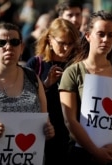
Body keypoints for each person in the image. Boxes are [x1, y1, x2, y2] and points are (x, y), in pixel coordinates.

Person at [59, 10, 112, 165]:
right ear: (88, 36)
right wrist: (95, 151)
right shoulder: (73, 72)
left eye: (111, 35)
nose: (106, 39)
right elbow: (70, 120)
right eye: (100, 34)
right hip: (82, 155)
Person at [0, 22, 55, 165]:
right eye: (1, 42)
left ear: (21, 47)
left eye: (14, 42)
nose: (8, 47)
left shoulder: (33, 78)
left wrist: (48, 130)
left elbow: (44, 121)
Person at [26, 18, 81, 165]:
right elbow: (25, 98)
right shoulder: (36, 63)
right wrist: (46, 84)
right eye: (62, 43)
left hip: (71, 134)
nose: (66, 48)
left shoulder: (77, 65)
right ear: (50, 40)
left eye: (70, 44)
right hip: (42, 131)